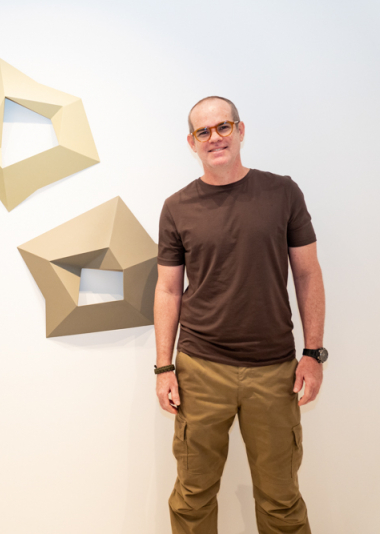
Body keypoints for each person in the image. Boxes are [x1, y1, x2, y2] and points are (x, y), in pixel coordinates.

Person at [154, 97, 326, 534]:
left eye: (223, 127)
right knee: (192, 498)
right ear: (191, 142)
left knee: (281, 501)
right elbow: (168, 289)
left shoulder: (282, 192)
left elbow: (308, 273)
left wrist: (313, 353)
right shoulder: (176, 207)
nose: (215, 138)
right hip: (200, 369)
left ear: (240, 130)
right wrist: (164, 367)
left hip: (274, 371)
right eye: (204, 132)